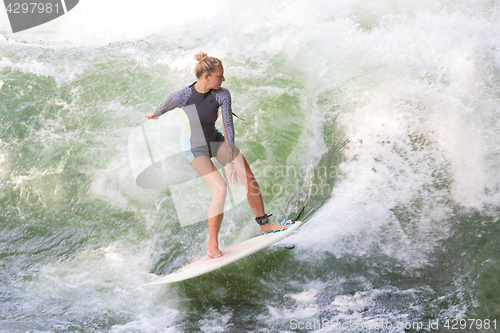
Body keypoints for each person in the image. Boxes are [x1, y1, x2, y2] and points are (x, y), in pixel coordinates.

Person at [145, 52, 286, 258]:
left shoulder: (222, 94)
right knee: (220, 188)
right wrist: (154, 114)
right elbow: (163, 107)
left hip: (215, 141)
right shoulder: (181, 97)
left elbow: (228, 128)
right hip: (195, 148)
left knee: (248, 177)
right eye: (220, 76)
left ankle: (264, 225)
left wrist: (228, 161)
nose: (223, 79)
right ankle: (212, 244)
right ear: (206, 77)